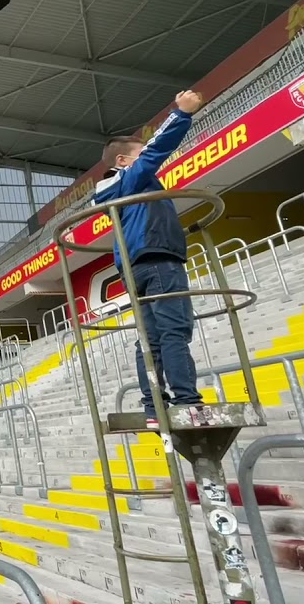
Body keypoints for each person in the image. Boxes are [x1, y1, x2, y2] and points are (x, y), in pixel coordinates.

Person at [93, 90, 205, 428]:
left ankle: (154, 406)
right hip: (158, 259)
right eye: (137, 155)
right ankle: (187, 401)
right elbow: (156, 149)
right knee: (174, 330)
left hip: (134, 267)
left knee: (150, 337)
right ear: (124, 161)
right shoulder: (131, 179)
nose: (145, 159)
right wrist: (181, 113)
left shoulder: (119, 188)